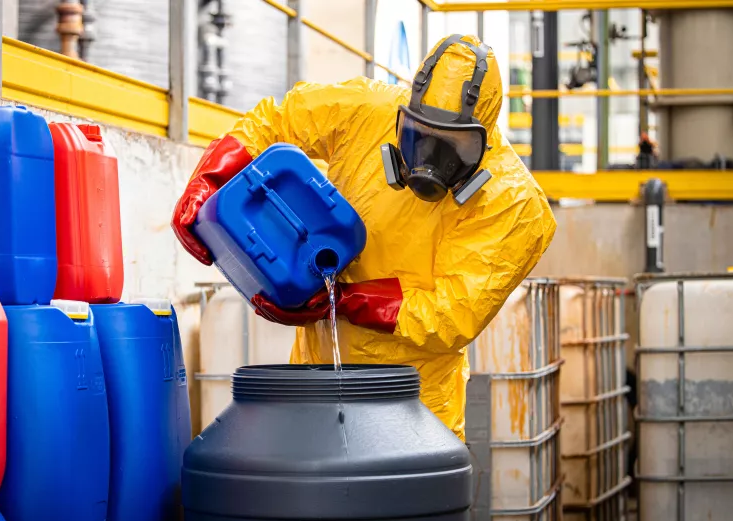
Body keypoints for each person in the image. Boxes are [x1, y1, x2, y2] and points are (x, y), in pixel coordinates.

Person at [171, 34, 556, 441]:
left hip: (414, 407)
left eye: (452, 147)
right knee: (308, 495)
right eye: (417, 134)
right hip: (316, 382)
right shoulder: (367, 112)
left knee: (399, 503)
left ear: (484, 141)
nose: (428, 159)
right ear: (405, 113)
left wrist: (341, 300)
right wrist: (210, 178)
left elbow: (451, 314)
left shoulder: (515, 205)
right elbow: (279, 119)